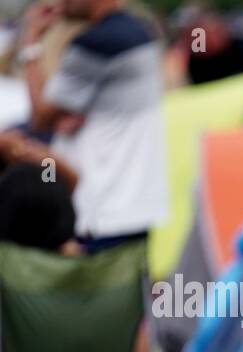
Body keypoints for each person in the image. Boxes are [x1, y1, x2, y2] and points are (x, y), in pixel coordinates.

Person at [19, 0, 168, 252]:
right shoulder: (139, 33)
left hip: (101, 209)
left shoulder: (97, 43)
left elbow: (41, 117)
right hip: (134, 204)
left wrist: (31, 42)